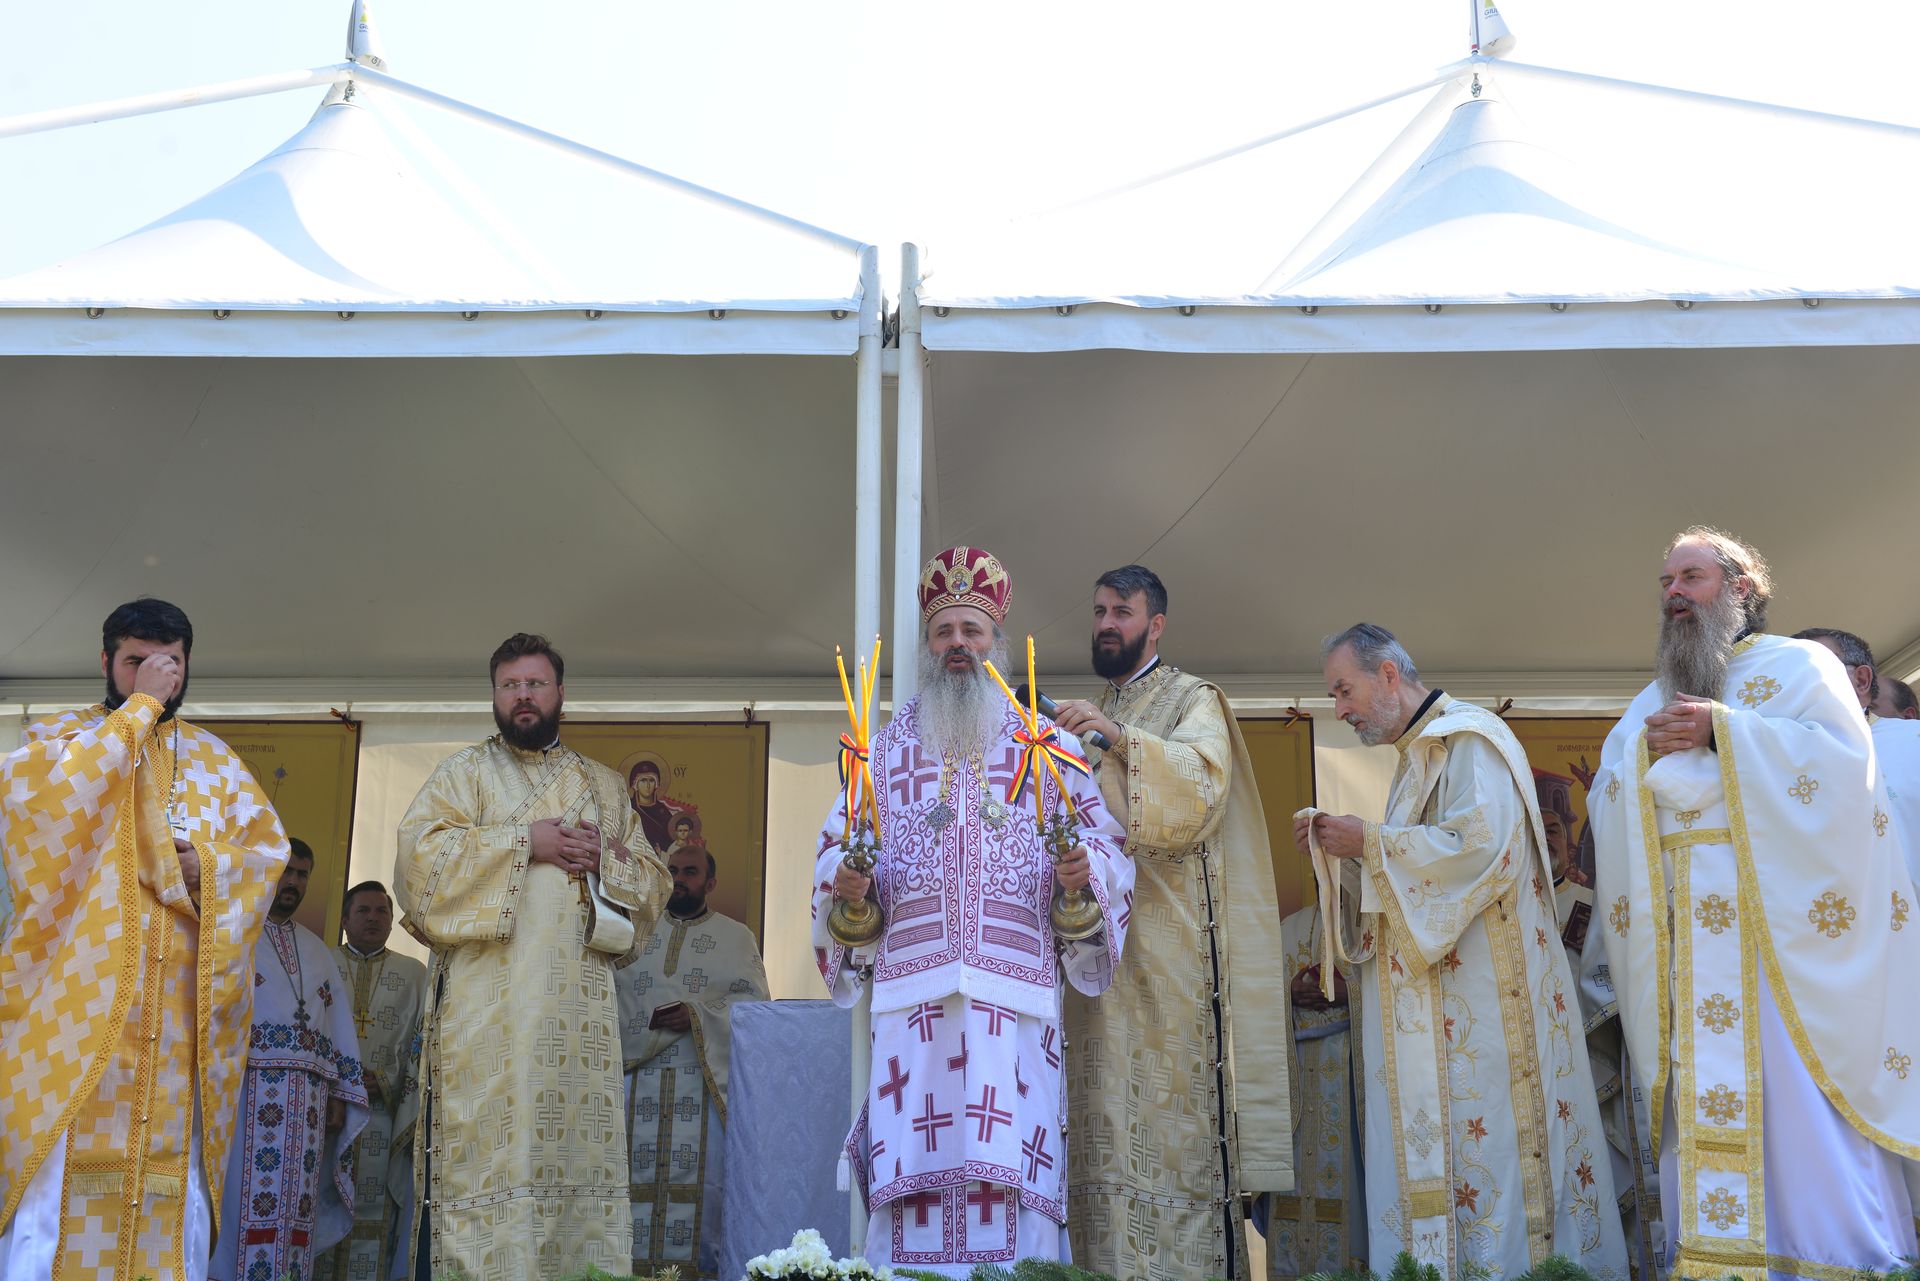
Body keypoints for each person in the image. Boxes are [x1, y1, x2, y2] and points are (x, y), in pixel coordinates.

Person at [1589, 527, 1920, 1276]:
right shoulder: (1648, 698)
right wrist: (1643, 756)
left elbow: (1844, 773)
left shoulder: (1801, 667)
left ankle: (1831, 1258)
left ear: (1743, 588)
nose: (1673, 592)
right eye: (1667, 580)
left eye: (1692, 577)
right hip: (1688, 957)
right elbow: (1609, 794)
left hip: (1782, 950)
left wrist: (1725, 731)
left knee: (1801, 1108)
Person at [813, 547, 1133, 1276]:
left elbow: (1108, 849)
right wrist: (849, 885)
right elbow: (834, 849)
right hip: (913, 1002)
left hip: (1014, 999)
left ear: (998, 639)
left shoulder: (1044, 745)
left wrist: (1082, 878)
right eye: (945, 630)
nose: (959, 643)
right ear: (928, 643)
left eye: (974, 630)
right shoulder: (883, 749)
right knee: (916, 1188)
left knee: (1013, 1185)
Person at [1294, 623, 1627, 1278]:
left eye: (1343, 689)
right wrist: (1348, 850)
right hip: (1445, 1029)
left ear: (1389, 672)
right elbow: (1410, 889)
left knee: (1502, 1176)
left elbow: (1482, 849)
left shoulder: (1470, 742)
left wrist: (1371, 842)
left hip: (1491, 1029)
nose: (1339, 709)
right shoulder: (1416, 763)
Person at [0, 598, 290, 1281]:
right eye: (137, 662)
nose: (155, 675)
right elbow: (41, 819)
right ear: (106, 661)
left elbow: (265, 858)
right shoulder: (59, 742)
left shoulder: (219, 764)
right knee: (59, 1205)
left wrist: (208, 867)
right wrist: (139, 712)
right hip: (79, 1036)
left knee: (168, 1202)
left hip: (175, 1042)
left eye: (170, 664)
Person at [394, 633, 669, 1281]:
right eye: (510, 685)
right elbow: (418, 868)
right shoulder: (461, 777)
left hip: (578, 1035)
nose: (523, 696)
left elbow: (654, 887)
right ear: (494, 694)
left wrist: (607, 857)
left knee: (574, 1170)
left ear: (560, 692)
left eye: (535, 683)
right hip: (487, 1022)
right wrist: (525, 843)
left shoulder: (602, 787)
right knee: (485, 1161)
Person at [1044, 564, 1292, 1278]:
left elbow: (1202, 788)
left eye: (1121, 611)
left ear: (1155, 624)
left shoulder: (1193, 698)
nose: (1105, 623)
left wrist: (1118, 737)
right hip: (1098, 962)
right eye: (1098, 610)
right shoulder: (1086, 710)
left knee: (1163, 1142)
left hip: (1170, 966)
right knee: (1101, 1135)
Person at [212, 840, 369, 1281]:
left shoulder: (319, 951)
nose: (293, 882)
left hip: (307, 1111)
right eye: (286, 871)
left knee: (295, 1209)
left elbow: (336, 1028)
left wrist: (340, 1092)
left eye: (302, 874)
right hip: (244, 1104)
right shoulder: (233, 934)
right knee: (236, 1202)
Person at [615, 844, 769, 1280]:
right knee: (628, 1186)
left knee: (703, 1192)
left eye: (691, 871)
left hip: (701, 1088)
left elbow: (755, 1005)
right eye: (673, 870)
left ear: (711, 883)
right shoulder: (632, 932)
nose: (680, 878)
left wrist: (699, 1015)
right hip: (635, 1086)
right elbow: (609, 997)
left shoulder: (737, 937)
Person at [314, 881, 426, 1281]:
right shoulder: (321, 964)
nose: (374, 918)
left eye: (382, 911)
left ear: (392, 922)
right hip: (329, 1117)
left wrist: (389, 1079)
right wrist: (330, 1083)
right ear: (344, 920)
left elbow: (423, 1043)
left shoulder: (415, 976)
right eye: (363, 911)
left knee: (378, 1219)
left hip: (385, 1118)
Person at [1259, 901, 1363, 1280]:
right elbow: (1254, 1000)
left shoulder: (1371, 924)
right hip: (1296, 1086)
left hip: (1353, 1091)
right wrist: (1287, 993)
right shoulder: (1287, 928)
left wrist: (1351, 991)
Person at [1795, 626, 1920, 884]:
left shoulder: (1909, 738)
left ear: (1861, 681)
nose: (1797, 683)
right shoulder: (1777, 752)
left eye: (1815, 669)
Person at [629, 759, 678, 856]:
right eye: (643, 780)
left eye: (651, 780)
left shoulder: (663, 812)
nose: (647, 785)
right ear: (635, 784)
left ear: (656, 784)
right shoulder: (628, 807)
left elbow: (670, 841)